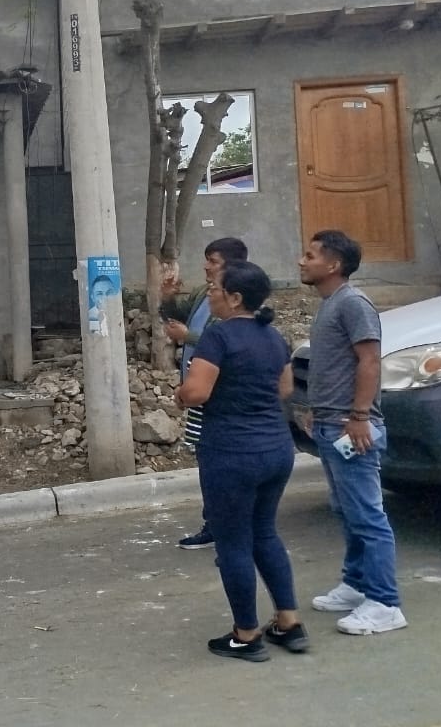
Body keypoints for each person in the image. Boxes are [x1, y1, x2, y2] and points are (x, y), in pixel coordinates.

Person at [175, 260, 308, 661]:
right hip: (276, 450)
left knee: (232, 541)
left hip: (231, 453)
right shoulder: (273, 337)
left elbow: (197, 393)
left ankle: (246, 635)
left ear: (234, 298)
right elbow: (284, 389)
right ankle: (288, 623)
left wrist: (180, 394)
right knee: (264, 533)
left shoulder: (218, 337)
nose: (210, 294)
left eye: (215, 289)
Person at [298, 229, 407, 635]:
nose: (302, 261)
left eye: (311, 255)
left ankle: (385, 603)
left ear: (334, 265)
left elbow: (370, 361)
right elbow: (334, 366)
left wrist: (359, 416)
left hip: (353, 428)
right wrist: (317, 411)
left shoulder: (353, 303)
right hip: (331, 425)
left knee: (367, 516)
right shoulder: (331, 305)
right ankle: (357, 583)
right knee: (346, 511)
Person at [160, 236, 248, 550]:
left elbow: (230, 340)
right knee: (208, 463)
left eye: (213, 261)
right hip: (202, 397)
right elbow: (179, 318)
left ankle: (225, 528)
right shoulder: (204, 293)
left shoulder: (243, 300)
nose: (206, 267)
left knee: (220, 466)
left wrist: (189, 337)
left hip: (219, 398)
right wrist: (168, 299)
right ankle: (218, 523)